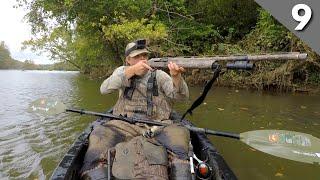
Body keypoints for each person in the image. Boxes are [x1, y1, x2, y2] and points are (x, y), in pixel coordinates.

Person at [81, 39, 191, 180]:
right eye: (137, 57)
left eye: (144, 56)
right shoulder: (121, 72)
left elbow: (181, 98)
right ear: (128, 59)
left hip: (158, 125)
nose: (142, 59)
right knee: (99, 136)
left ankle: (181, 173)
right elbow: (104, 89)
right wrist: (131, 71)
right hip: (123, 124)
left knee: (180, 138)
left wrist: (176, 77)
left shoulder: (160, 75)